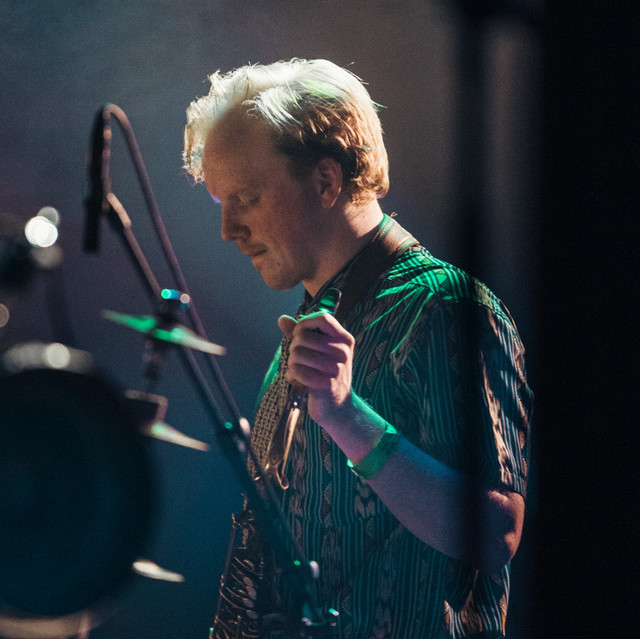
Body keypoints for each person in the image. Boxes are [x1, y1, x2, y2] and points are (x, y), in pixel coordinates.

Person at [183, 58, 532, 639]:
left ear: (326, 180)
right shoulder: (305, 328)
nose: (228, 229)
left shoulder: (445, 305)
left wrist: (348, 418)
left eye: (246, 197)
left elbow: (497, 535)